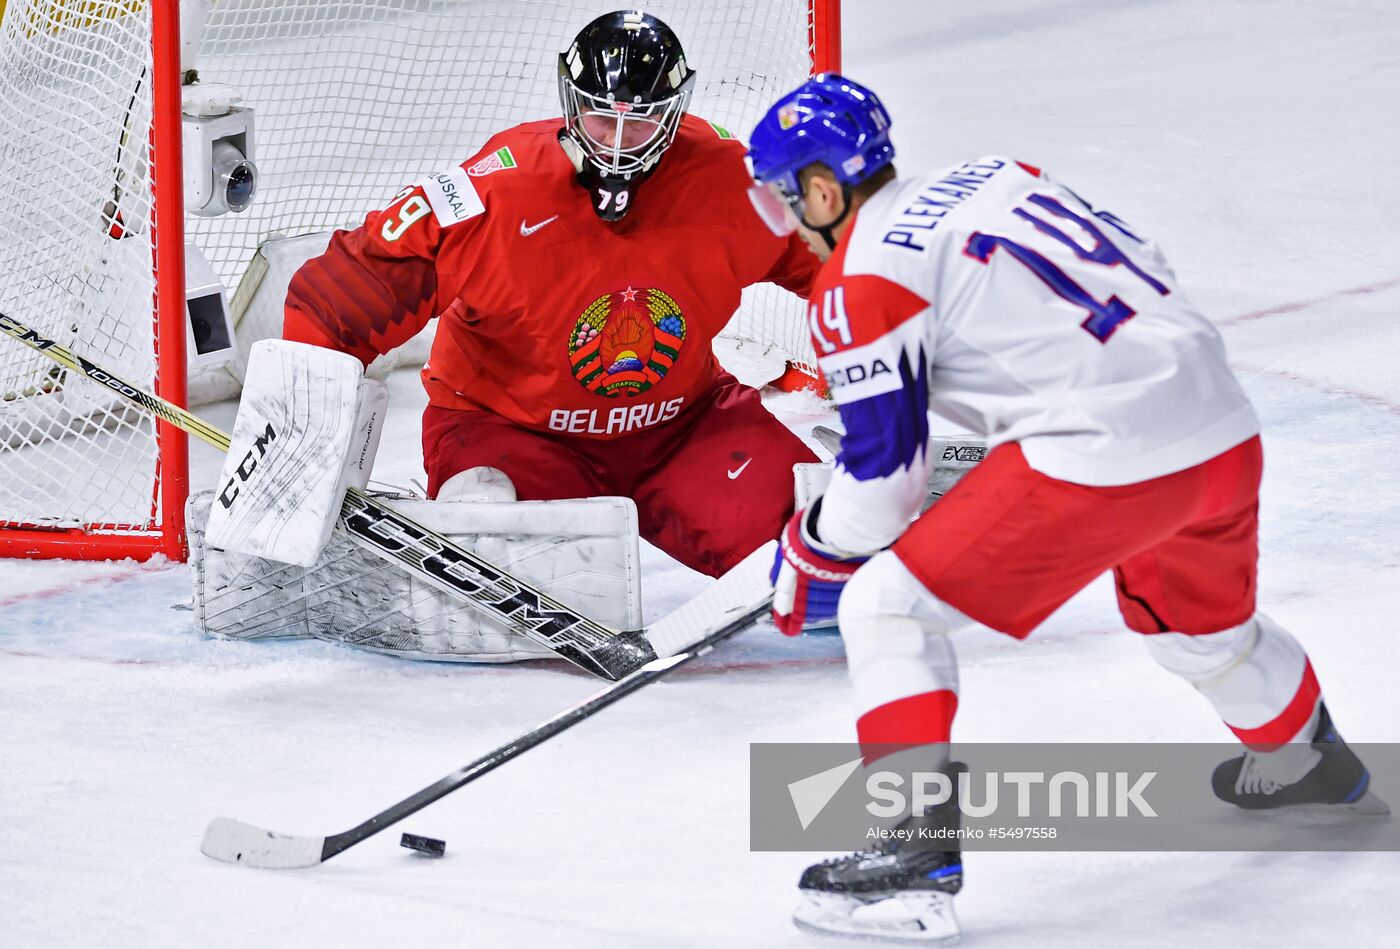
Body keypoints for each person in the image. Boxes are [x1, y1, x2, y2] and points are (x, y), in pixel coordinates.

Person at [749, 74, 1385, 942]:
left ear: (823, 189)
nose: (789, 224)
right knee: (1194, 630)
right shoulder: (995, 173)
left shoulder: (860, 277)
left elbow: (886, 477)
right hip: (1217, 421)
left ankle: (910, 857)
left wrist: (813, 550)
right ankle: (1310, 758)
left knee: (883, 604)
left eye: (786, 203)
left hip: (1101, 447)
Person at [281, 10, 820, 579]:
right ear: (571, 101)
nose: (617, 143)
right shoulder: (495, 192)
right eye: (599, 118)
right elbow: (341, 295)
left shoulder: (731, 180)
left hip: (683, 430)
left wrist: (909, 359)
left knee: (827, 541)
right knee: (488, 533)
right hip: (513, 434)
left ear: (673, 111)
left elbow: (844, 265)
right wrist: (299, 453)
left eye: (639, 121)